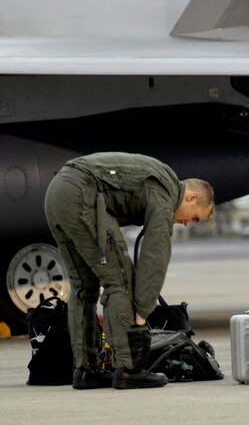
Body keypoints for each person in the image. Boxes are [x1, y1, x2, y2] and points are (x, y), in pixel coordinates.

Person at [44, 151, 214, 390]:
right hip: (81, 194)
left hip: (57, 193)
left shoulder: (160, 175)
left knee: (84, 286)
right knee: (121, 281)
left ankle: (86, 371)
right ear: (192, 197)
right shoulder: (165, 193)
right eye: (194, 218)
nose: (187, 224)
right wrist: (140, 319)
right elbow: (154, 256)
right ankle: (129, 369)